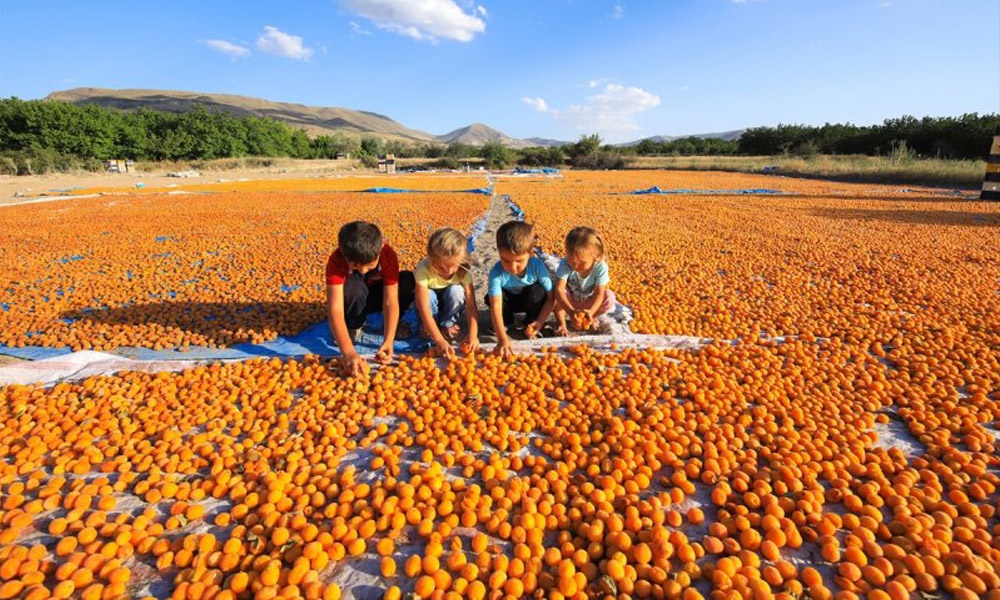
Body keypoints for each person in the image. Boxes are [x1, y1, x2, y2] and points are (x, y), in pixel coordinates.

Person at [325, 221, 415, 376]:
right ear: (343, 253)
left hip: (377, 296)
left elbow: (390, 301)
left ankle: (393, 324)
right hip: (355, 297)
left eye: (369, 266)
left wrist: (389, 339)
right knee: (353, 286)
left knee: (408, 281)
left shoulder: (388, 255)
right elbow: (335, 308)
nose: (363, 270)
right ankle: (354, 326)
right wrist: (347, 351)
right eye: (356, 267)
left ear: (380, 249)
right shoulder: (337, 260)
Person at [486, 221, 554, 358]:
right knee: (490, 297)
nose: (512, 267)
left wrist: (540, 321)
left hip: (528, 299)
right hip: (508, 302)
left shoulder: (537, 267)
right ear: (499, 253)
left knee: (538, 292)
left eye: (519, 261)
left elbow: (551, 297)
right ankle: (508, 321)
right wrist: (502, 338)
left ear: (530, 254)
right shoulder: (496, 272)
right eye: (506, 260)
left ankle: (531, 323)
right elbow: (496, 305)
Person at [413, 228, 480, 359]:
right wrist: (439, 341)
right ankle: (429, 326)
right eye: (441, 267)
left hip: (448, 303)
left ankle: (447, 323)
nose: (447, 271)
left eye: (452, 266)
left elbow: (471, 305)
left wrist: (473, 335)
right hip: (429, 305)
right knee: (429, 295)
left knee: (456, 291)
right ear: (431, 258)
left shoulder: (462, 270)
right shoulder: (423, 269)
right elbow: (423, 308)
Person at [553, 226, 615, 336]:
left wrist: (591, 311)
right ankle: (561, 324)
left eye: (581, 262)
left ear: (597, 257)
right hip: (569, 300)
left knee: (609, 297)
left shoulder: (600, 267)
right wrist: (570, 311)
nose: (576, 266)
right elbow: (560, 290)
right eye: (572, 261)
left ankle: (589, 318)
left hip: (588, 302)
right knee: (554, 292)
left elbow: (599, 294)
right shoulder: (565, 264)